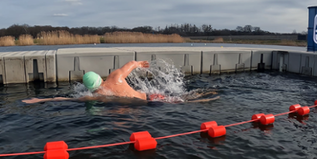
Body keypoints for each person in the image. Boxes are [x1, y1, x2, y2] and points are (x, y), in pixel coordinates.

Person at [22, 60, 218, 104]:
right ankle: (206, 95)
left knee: (184, 102)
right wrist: (141, 63)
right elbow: (131, 63)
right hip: (150, 97)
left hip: (146, 105)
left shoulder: (97, 95)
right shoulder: (115, 76)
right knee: (181, 99)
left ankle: (204, 99)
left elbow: (63, 99)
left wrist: (40, 100)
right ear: (100, 77)